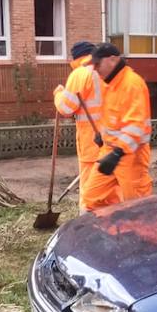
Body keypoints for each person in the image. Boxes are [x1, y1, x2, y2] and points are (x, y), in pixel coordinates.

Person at [81, 43, 152, 210]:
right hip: (110, 152)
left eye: (98, 64)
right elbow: (113, 118)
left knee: (137, 205)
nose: (95, 69)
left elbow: (136, 125)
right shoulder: (110, 84)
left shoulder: (132, 84)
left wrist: (117, 152)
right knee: (91, 197)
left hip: (131, 155)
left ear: (113, 60)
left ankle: (140, 233)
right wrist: (103, 136)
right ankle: (115, 230)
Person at [52, 40, 103, 210]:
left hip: (92, 143)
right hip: (115, 142)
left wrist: (58, 94)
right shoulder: (109, 71)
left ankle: (87, 227)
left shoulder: (80, 74)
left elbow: (66, 108)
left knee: (90, 192)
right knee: (111, 190)